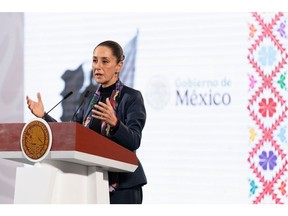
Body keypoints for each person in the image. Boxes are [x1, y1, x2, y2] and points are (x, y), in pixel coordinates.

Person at [26, 40, 147, 204]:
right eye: (95, 60)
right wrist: (44, 116)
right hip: (93, 183)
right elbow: (71, 133)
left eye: (105, 61)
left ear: (119, 66)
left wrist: (116, 124)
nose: (98, 66)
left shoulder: (131, 97)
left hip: (123, 186)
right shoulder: (89, 99)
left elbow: (134, 140)